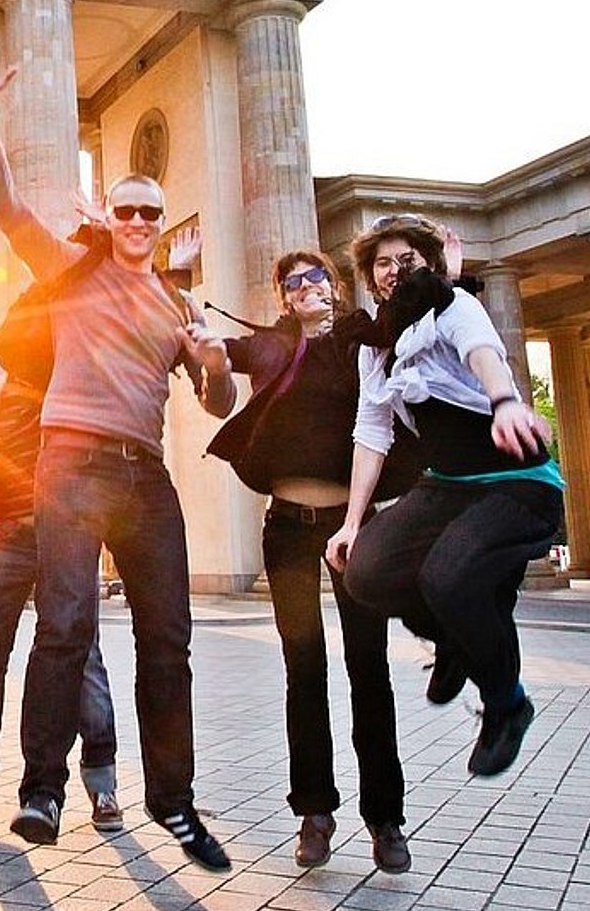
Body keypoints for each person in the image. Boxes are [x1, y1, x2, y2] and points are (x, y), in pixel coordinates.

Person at [0, 33, 237, 868]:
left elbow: (215, 401)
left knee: (169, 638)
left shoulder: (174, 304)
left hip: (142, 474)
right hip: (71, 461)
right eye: (126, 210)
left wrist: (215, 360)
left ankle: (174, 801)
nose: (140, 222)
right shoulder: (72, 274)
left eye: (152, 211)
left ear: (162, 221)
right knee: (67, 622)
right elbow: (7, 209)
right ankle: (43, 789)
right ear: (108, 218)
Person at [326, 213, 561, 781]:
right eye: (382, 263)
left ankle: (506, 703)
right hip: (448, 486)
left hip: (515, 483)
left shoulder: (455, 307)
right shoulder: (377, 346)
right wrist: (352, 523)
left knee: (449, 578)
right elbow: (371, 433)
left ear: (429, 264)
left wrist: (505, 403)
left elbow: (484, 352)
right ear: (370, 276)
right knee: (366, 572)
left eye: (405, 260)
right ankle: (452, 640)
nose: (392, 271)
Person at [204, 247, 413, 872]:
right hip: (288, 529)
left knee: (368, 669)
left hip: (353, 527)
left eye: (315, 277)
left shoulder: (361, 338)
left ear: (334, 282)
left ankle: (385, 820)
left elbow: (413, 326)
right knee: (305, 669)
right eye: (292, 283)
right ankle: (314, 814)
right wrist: (190, 317)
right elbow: (215, 349)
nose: (304, 288)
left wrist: (442, 275)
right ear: (282, 295)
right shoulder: (272, 346)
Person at [0, 308, 123, 835]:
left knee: (83, 657)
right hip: (13, 534)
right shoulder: (0, 393)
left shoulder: (81, 385)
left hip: (70, 536)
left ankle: (101, 780)